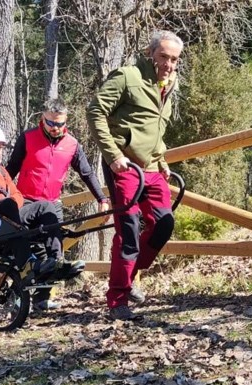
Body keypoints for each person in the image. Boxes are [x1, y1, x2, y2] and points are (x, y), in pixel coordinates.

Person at [87, 30, 183, 320]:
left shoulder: (169, 82)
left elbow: (154, 127)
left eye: (174, 59)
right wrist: (113, 155)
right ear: (150, 53)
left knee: (164, 224)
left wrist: (162, 157)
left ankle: (128, 278)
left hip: (153, 168)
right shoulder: (127, 77)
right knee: (128, 231)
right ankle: (117, 300)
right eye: (163, 56)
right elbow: (95, 112)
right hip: (124, 166)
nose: (168, 63)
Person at [7, 97, 109, 311]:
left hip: (53, 203)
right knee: (26, 252)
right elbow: (11, 169)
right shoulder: (27, 138)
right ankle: (15, 298)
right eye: (51, 123)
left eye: (60, 124)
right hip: (26, 200)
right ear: (42, 119)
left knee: (55, 252)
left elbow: (87, 173)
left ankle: (42, 298)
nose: (55, 128)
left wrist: (102, 198)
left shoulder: (72, 144)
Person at [0, 124, 80, 283]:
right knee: (7, 204)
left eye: (0, 147)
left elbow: (16, 194)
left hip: (7, 215)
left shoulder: (1, 171)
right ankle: (26, 264)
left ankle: (56, 260)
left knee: (46, 206)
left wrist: (14, 205)